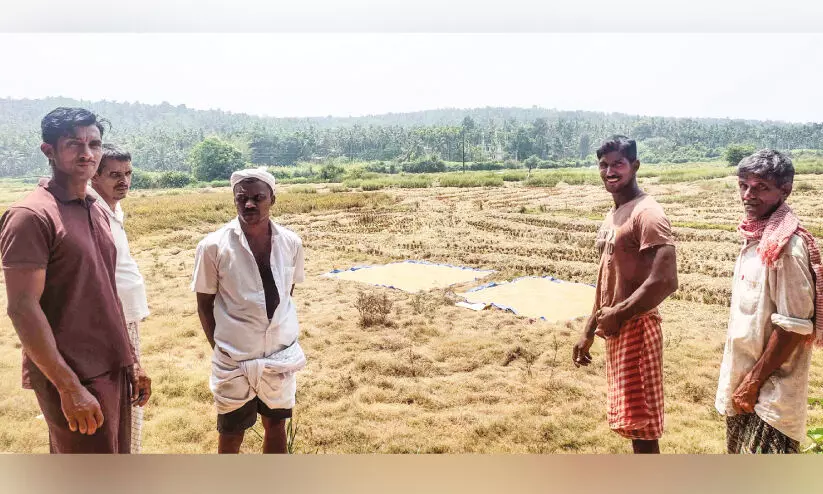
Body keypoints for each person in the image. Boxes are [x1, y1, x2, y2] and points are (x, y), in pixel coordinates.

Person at [0, 107, 150, 453]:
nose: (87, 153)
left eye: (94, 144)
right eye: (73, 144)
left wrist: (132, 360)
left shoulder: (95, 208)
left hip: (112, 367)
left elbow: (106, 293)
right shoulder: (31, 216)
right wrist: (69, 388)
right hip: (74, 373)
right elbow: (22, 309)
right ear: (48, 150)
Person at [572, 135, 678, 454]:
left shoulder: (648, 214)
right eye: (603, 165)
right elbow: (607, 279)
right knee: (633, 424)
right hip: (618, 327)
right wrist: (589, 330)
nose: (610, 171)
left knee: (642, 426)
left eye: (618, 163)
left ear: (635, 166)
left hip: (637, 328)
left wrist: (619, 314)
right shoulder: (614, 214)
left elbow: (666, 280)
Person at [192, 167, 306, 454]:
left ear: (273, 200)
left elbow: (286, 292)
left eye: (258, 197)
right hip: (234, 358)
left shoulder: (291, 242)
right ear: (234, 200)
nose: (250, 204)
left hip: (279, 353)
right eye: (242, 198)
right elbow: (204, 304)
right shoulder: (212, 246)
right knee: (231, 432)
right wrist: (221, 348)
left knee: (276, 425)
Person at [715, 149, 822, 454]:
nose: (749, 195)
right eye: (744, 185)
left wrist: (753, 382)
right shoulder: (756, 239)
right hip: (744, 384)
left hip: (770, 393)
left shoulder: (786, 248)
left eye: (761, 187)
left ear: (784, 191)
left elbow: (794, 327)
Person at [88, 144, 151, 453]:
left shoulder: (111, 208)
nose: (124, 181)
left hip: (127, 317)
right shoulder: (92, 211)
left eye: (128, 174)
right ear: (94, 175)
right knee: (126, 400)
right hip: (113, 321)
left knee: (131, 406)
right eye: (114, 175)